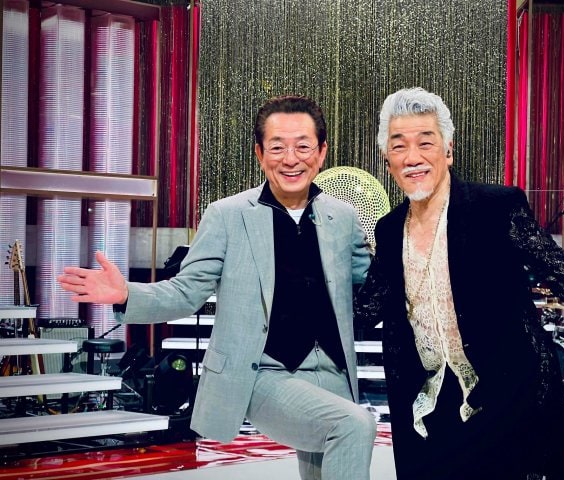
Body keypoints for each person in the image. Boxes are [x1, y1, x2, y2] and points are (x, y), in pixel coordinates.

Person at [58, 95, 377, 480]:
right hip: (264, 373)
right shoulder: (227, 215)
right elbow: (185, 292)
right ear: (260, 154)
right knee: (354, 424)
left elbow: (372, 287)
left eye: (303, 146)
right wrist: (128, 294)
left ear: (321, 152)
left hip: (334, 371)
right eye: (277, 147)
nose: (290, 159)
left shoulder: (343, 216)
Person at [355, 87, 564, 479]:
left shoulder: (495, 207)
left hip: (510, 400)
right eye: (399, 145)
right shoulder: (389, 231)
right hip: (433, 412)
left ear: (448, 150)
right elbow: (365, 309)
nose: (412, 157)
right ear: (387, 160)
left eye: (425, 142)